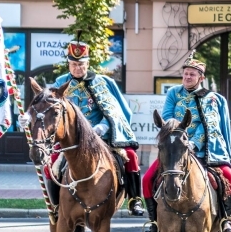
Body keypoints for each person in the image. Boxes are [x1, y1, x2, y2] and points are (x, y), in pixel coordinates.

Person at [20, 42, 145, 220]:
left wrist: (103, 126)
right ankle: (56, 207)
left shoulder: (103, 82)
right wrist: (27, 116)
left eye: (81, 64)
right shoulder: (60, 82)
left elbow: (115, 111)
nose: (77, 68)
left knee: (130, 156)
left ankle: (134, 199)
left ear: (87, 64)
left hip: (99, 136)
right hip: (71, 139)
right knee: (52, 165)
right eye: (74, 64)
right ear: (69, 64)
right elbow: (44, 103)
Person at [141, 53, 231, 232]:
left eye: (192, 74)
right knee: (147, 179)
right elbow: (168, 119)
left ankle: (226, 220)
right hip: (176, 148)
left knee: (228, 177)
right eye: (185, 74)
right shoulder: (173, 93)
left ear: (201, 78)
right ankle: (153, 222)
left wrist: (193, 143)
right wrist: (177, 140)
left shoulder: (211, 98)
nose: (187, 77)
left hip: (204, 149)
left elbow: (209, 124)